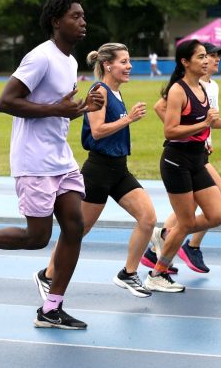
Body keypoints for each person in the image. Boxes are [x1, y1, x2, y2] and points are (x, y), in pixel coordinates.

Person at [0, 0, 104, 330]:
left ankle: (51, 308)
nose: (83, 21)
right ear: (57, 22)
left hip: (61, 158)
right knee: (37, 238)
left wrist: (80, 108)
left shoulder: (71, 63)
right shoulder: (39, 57)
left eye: (83, 16)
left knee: (75, 227)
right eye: (75, 16)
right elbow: (6, 102)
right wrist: (58, 109)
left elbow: (56, 112)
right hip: (34, 161)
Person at [34, 43, 156, 300]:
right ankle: (47, 275)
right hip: (98, 170)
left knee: (148, 218)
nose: (129, 66)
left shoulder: (117, 92)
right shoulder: (99, 91)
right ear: (108, 65)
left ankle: (128, 273)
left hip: (119, 169)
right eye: (124, 61)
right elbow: (98, 131)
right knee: (77, 231)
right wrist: (128, 119)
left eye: (129, 61)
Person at [143, 39, 221, 293]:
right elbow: (171, 130)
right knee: (186, 223)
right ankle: (158, 272)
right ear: (185, 62)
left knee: (218, 215)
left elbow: (210, 121)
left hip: (198, 160)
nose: (207, 60)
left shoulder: (203, 88)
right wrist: (203, 125)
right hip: (177, 161)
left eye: (206, 57)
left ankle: (165, 235)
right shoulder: (178, 90)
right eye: (200, 57)